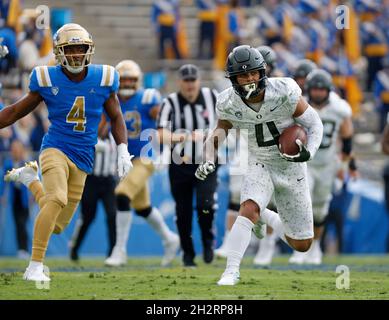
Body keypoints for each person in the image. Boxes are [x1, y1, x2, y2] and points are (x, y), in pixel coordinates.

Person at [0, 23, 133, 282]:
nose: (75, 55)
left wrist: (123, 150)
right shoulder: (47, 78)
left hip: (83, 157)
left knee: (58, 225)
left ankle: (30, 180)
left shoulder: (104, 78)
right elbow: (16, 111)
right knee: (57, 197)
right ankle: (35, 266)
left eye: (79, 49)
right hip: (55, 149)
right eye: (69, 49)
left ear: (88, 50)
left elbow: (116, 116)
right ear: (59, 52)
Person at [195, 45, 323, 285]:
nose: (250, 78)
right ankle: (231, 271)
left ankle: (267, 216)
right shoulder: (228, 102)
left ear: (262, 71)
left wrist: (309, 153)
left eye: (253, 72)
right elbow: (217, 135)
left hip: (291, 167)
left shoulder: (284, 90)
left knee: (303, 244)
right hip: (260, 161)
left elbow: (315, 124)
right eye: (243, 75)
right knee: (248, 208)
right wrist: (208, 158)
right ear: (233, 79)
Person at [105, 60, 180, 267]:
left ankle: (119, 251)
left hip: (146, 157)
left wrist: (167, 151)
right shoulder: (111, 100)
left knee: (121, 194)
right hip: (125, 159)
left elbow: (165, 122)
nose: (128, 83)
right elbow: (103, 127)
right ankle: (170, 238)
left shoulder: (148, 97)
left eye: (132, 79)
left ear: (137, 81)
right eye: (124, 79)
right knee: (142, 207)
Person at [288, 69, 354, 265]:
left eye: (321, 89)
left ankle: (315, 247)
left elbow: (347, 137)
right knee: (301, 203)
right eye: (314, 89)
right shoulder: (300, 104)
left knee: (319, 209)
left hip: (327, 164)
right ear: (308, 89)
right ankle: (300, 248)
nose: (317, 93)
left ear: (328, 90)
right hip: (304, 163)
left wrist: (345, 165)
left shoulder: (339, 108)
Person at [157, 64, 218, 267]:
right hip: (179, 165)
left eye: (193, 80)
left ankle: (208, 241)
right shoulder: (170, 103)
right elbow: (161, 135)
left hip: (206, 162)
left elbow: (226, 124)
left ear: (198, 81)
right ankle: (188, 252)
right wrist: (185, 136)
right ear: (179, 82)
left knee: (205, 205)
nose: (190, 84)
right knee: (183, 212)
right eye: (186, 80)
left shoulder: (213, 97)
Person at [69, 132, 117, 262]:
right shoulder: (91, 133)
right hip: (91, 180)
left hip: (108, 181)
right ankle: (74, 247)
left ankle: (113, 252)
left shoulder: (114, 136)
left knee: (112, 215)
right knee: (88, 217)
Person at [2, 140, 31, 259]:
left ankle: (24, 249)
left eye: (18, 149)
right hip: (15, 199)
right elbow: (3, 180)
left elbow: (33, 180)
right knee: (17, 224)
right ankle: (21, 249)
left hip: (25, 199)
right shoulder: (8, 164)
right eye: (14, 150)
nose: (16, 152)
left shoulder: (26, 164)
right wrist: (2, 194)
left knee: (22, 224)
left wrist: (33, 196)